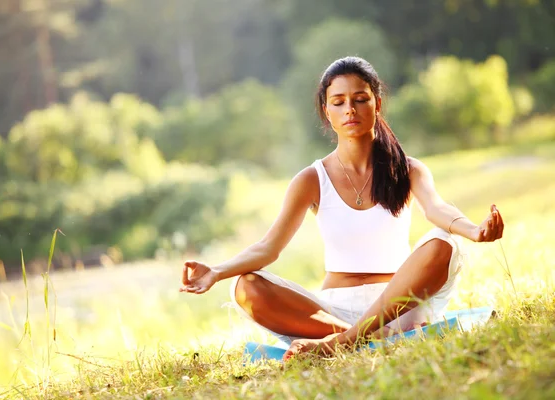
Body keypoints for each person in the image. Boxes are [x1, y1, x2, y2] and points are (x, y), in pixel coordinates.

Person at [179, 56, 504, 360]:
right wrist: (218, 272)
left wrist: (473, 230)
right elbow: (267, 248)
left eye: (360, 99)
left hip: (399, 308)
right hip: (332, 312)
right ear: (327, 111)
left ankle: (345, 342)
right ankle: (361, 336)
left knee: (444, 242)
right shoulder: (311, 179)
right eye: (339, 102)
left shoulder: (408, 169)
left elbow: (437, 209)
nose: (350, 109)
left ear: (377, 103)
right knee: (247, 286)